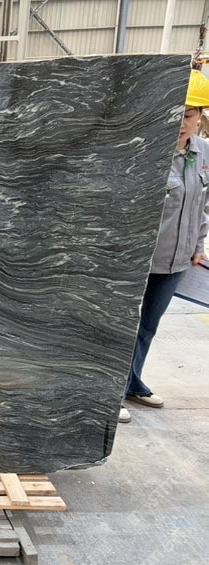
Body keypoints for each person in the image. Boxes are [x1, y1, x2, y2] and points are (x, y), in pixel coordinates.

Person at [120, 70, 209, 423]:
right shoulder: (147, 150)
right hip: (140, 257)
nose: (181, 122)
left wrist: (198, 245)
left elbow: (202, 205)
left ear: (200, 116)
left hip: (177, 259)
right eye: (175, 114)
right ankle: (111, 393)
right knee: (122, 327)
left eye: (189, 115)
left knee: (148, 327)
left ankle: (132, 383)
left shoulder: (204, 152)